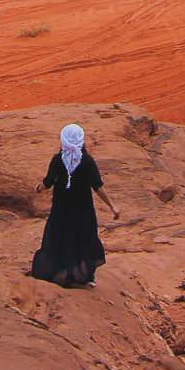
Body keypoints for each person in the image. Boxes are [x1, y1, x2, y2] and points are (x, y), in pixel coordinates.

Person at [29, 123, 119, 287]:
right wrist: (112, 206)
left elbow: (48, 182)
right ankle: (86, 276)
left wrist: (38, 189)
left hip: (61, 210)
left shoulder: (58, 160)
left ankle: (61, 273)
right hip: (83, 210)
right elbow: (97, 186)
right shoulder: (87, 161)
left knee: (62, 239)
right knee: (83, 239)